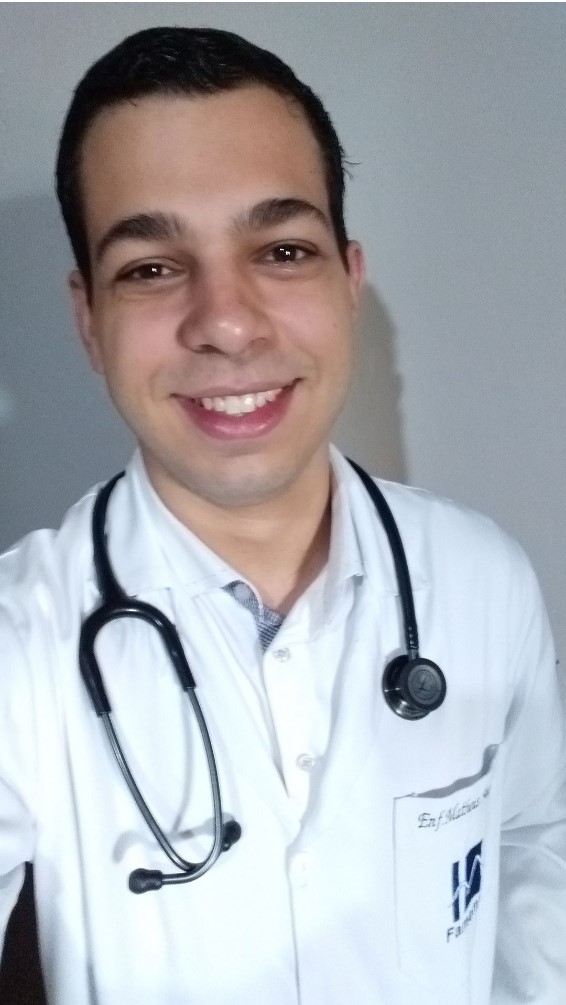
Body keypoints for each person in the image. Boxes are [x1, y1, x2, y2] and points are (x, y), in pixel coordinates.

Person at [0, 25, 564, 1005]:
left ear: (349, 280)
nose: (226, 321)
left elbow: (530, 853)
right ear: (88, 319)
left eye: (282, 249)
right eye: (151, 267)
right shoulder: (20, 642)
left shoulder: (483, 580)